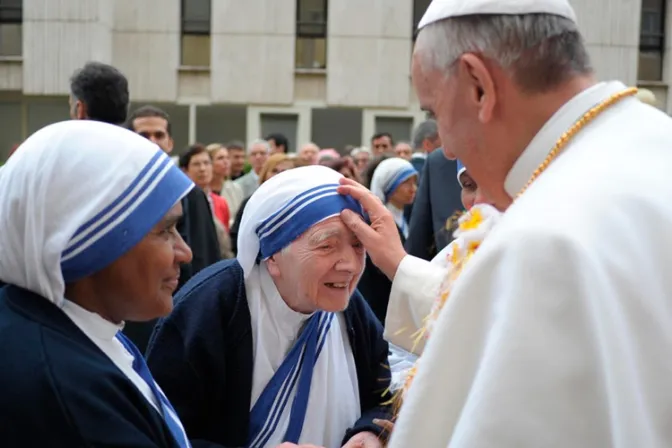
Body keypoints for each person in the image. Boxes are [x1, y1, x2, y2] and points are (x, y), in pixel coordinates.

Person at [336, 0, 672, 445]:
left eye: (435, 112)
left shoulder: (543, 238)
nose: (449, 152)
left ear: (479, 85)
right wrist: (400, 265)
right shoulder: (653, 140)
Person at [145, 166, 392, 448]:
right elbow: (161, 434)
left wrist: (370, 432)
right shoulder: (211, 307)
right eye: (326, 246)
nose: (349, 264)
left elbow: (384, 394)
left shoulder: (350, 307)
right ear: (273, 256)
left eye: (358, 245)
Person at [0, 120, 194, 446]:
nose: (185, 252)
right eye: (165, 230)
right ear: (90, 240)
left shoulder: (63, 327)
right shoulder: (70, 392)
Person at [125, 105, 221, 351]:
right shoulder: (119, 193)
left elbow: (203, 259)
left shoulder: (190, 194)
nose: (152, 141)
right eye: (144, 135)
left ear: (170, 142)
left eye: (159, 135)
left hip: (180, 319)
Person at [358, 158, 418, 324]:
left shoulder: (408, 218)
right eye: (406, 182)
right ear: (388, 184)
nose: (413, 189)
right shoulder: (376, 223)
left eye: (415, 182)